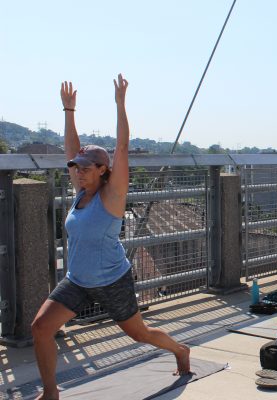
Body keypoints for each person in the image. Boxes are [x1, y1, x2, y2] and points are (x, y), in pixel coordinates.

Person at [31, 76, 190, 400]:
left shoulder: (112, 196)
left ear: (103, 170)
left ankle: (180, 350)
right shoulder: (81, 193)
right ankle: (51, 393)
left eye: (86, 168)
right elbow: (70, 149)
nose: (78, 171)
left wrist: (120, 104)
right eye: (76, 167)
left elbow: (122, 147)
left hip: (111, 280)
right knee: (40, 328)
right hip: (77, 280)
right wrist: (69, 110)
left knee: (139, 333)